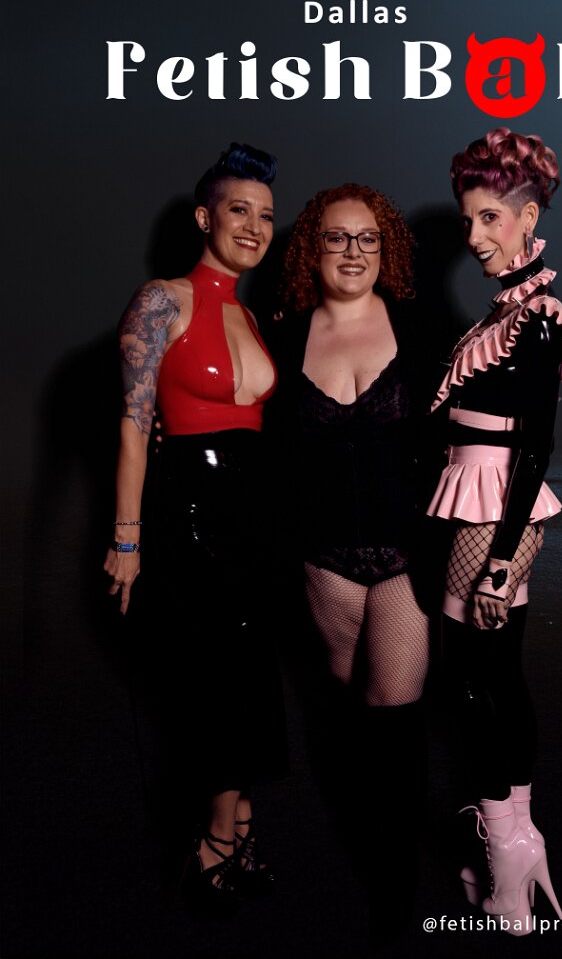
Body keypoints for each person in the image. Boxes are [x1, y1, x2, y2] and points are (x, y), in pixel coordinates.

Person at [103, 142, 287, 909]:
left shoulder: (251, 311)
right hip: (189, 510)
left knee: (250, 669)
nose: (254, 227)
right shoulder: (163, 299)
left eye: (266, 215)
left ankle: (239, 825)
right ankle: (216, 839)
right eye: (239, 210)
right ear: (204, 218)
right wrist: (127, 539)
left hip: (256, 516)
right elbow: (132, 427)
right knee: (215, 673)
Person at [268, 183, 441, 937]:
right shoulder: (283, 336)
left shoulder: (422, 329)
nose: (353, 251)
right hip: (322, 560)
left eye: (368, 238)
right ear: (312, 248)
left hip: (406, 558)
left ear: (386, 248)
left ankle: (392, 892)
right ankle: (357, 844)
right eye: (336, 237)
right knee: (345, 717)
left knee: (394, 720)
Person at [427, 128, 562, 934]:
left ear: (529, 218)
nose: (475, 235)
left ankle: (504, 851)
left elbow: (536, 448)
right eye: (468, 220)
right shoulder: (509, 309)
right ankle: (519, 842)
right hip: (483, 499)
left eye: (490, 217)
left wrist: (499, 561)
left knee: (469, 679)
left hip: (493, 508)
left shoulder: (539, 318)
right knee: (498, 675)